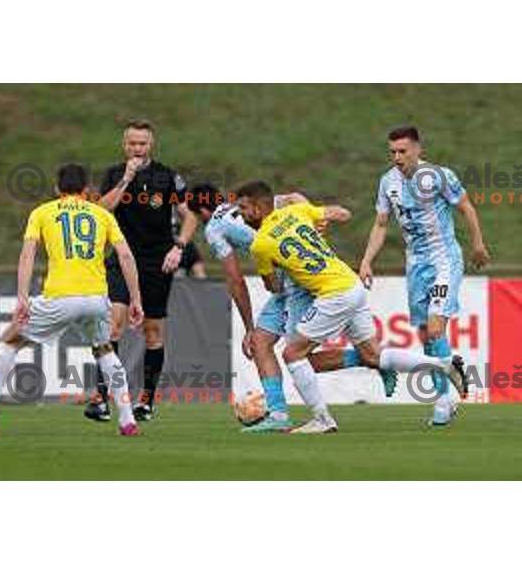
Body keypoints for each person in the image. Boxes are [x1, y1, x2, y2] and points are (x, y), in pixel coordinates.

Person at [236, 181, 465, 434]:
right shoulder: (296, 212)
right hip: (352, 284)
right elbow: (340, 213)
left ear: (258, 208)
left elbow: (273, 287)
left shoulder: (260, 245)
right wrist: (319, 222)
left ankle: (322, 419)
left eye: (243, 208)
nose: (241, 214)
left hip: (333, 294)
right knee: (372, 356)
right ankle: (442, 364)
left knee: (292, 355)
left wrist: (287, 264)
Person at [188, 183, 397, 433]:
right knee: (262, 344)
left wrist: (248, 327)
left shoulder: (214, 229)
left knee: (298, 357)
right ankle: (278, 414)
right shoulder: (251, 205)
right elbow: (294, 197)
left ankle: (370, 361)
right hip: (289, 283)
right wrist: (313, 215)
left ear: (201, 212)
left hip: (297, 285)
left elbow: (235, 280)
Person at [0, 164, 144, 436]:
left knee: (9, 340)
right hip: (96, 298)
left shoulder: (41, 213)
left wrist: (22, 296)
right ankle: (127, 421)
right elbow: (125, 256)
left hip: (61, 297)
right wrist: (135, 298)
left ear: (57, 189)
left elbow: (27, 255)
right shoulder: (101, 214)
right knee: (105, 350)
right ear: (87, 191)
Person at [359, 126, 489, 425]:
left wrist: (478, 244)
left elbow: (465, 207)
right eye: (392, 152)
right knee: (423, 335)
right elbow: (380, 225)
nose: (397, 157)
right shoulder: (387, 182)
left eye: (402, 151)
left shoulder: (439, 176)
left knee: (434, 329)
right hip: (415, 264)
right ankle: (445, 388)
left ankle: (443, 402)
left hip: (444, 258)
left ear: (418, 149)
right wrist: (366, 261)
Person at [84, 119, 197, 423]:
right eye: (132, 143)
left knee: (152, 331)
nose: (137, 148)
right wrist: (126, 178)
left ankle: (146, 400)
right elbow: (102, 210)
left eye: (142, 143)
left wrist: (179, 247)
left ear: (151, 144)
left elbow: (189, 217)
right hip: (121, 258)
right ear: (125, 145)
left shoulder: (167, 176)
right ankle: (101, 397)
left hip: (157, 262)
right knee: (114, 325)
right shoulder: (112, 174)